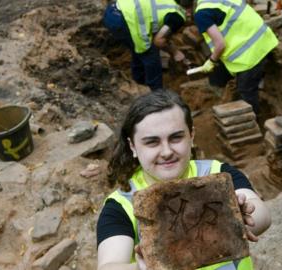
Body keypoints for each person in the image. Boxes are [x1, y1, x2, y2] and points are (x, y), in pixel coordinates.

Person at [97, 89, 272, 270]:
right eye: (152, 142)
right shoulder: (122, 205)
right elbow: (109, 265)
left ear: (191, 136)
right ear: (132, 146)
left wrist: (241, 217)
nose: (166, 152)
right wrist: (144, 268)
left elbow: (262, 215)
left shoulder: (216, 173)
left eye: (176, 138)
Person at [193, 0, 279, 114]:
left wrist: (211, 61)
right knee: (224, 74)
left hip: (250, 54)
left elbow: (220, 44)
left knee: (246, 90)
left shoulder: (201, 14)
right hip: (265, 39)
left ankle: (252, 122)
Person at [103, 0, 187, 91]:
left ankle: (139, 84)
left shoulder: (168, 2)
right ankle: (156, 94)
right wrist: (175, 52)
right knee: (150, 56)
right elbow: (158, 41)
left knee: (139, 49)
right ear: (189, 11)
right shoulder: (178, 15)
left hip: (112, 11)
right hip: (124, 21)